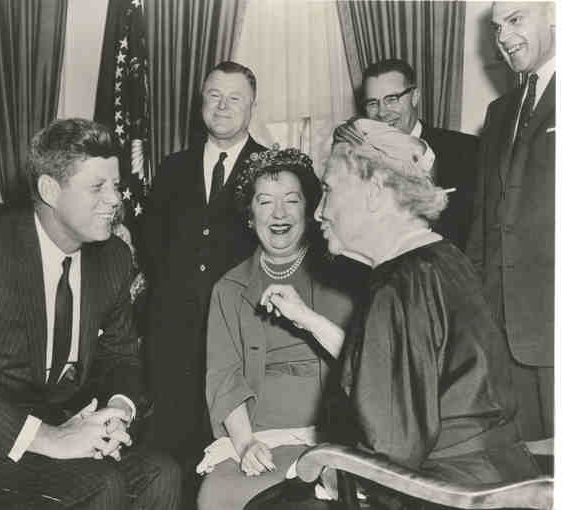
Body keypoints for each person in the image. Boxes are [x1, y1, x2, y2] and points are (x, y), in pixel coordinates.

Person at [262, 118, 539, 509]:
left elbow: (389, 455)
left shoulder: (398, 286)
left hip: (448, 495)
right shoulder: (444, 259)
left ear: (375, 192)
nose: (319, 212)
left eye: (329, 190)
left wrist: (323, 471)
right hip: (503, 483)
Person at [0, 118, 181, 510]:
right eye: (98, 187)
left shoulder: (113, 257)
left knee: (162, 474)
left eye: (116, 184)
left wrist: (118, 410)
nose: (115, 199)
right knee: (101, 485)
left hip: (57, 433)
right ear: (50, 190)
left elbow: (121, 356)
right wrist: (50, 439)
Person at [197, 146, 357, 510]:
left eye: (292, 200)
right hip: (260, 435)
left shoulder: (344, 277)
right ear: (250, 215)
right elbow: (223, 377)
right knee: (216, 495)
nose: (279, 213)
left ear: (309, 208)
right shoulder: (228, 288)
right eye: (265, 202)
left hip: (334, 435)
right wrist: (245, 444)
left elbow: (367, 366)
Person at [140, 62, 266, 469]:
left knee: (233, 460)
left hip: (242, 342)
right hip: (173, 343)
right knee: (171, 458)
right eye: (214, 96)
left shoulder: (273, 170)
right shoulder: (172, 168)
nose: (222, 106)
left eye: (235, 98)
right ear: (201, 104)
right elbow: (152, 245)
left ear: (252, 106)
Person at [466, 1, 555, 441]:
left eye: (516, 19)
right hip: (504, 333)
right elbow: (484, 224)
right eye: (497, 26)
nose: (503, 37)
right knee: (522, 466)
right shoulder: (500, 112)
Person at [361, 58, 479, 251]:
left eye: (392, 99)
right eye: (373, 103)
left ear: (415, 96)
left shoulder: (466, 150)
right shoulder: (358, 161)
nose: (382, 113)